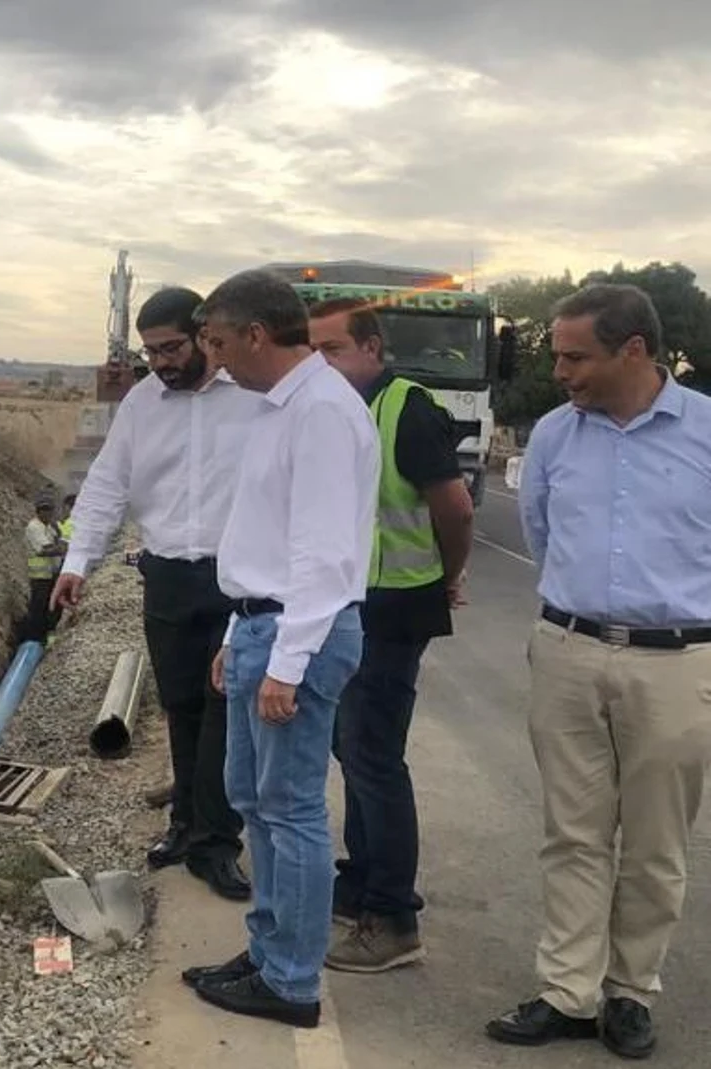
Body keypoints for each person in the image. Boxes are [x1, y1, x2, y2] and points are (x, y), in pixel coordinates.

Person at [485, 283, 711, 1060]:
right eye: (557, 354)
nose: (560, 370)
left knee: (655, 843)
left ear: (635, 352)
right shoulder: (552, 435)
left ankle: (630, 992)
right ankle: (567, 991)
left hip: (678, 662)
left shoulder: (707, 432)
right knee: (573, 834)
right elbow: (542, 534)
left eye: (576, 356)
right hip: (569, 652)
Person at [177, 269, 378, 1029]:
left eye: (222, 343)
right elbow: (263, 536)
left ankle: (292, 979)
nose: (218, 360)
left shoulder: (321, 412)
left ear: (256, 334)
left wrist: (287, 665)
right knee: (255, 803)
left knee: (290, 814)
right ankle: (267, 952)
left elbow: (323, 556)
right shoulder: (283, 408)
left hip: (301, 630)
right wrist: (239, 636)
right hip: (264, 625)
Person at [53, 286, 266, 902]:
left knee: (225, 712)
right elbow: (105, 486)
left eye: (171, 348)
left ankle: (217, 844)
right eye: (150, 353)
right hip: (168, 575)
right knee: (182, 706)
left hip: (236, 579)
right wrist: (78, 562)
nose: (161, 363)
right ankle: (184, 827)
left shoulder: (253, 400)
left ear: (204, 336)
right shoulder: (144, 405)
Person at [307, 298, 476, 973]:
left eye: (333, 349)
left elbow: (454, 506)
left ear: (372, 348)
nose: (320, 363)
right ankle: (360, 882)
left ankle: (393, 916)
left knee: (374, 757)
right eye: (311, 349)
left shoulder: (404, 406)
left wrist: (448, 574)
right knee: (351, 748)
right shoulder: (338, 411)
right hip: (352, 605)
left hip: (394, 608)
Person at [20, 494, 66, 644]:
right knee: (38, 609)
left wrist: (59, 540)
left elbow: (57, 541)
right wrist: (64, 549)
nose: (46, 513)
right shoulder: (34, 527)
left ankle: (48, 637)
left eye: (49, 510)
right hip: (40, 576)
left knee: (51, 607)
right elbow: (44, 550)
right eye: (43, 510)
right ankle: (34, 639)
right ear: (38, 512)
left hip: (50, 574)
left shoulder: (48, 527)